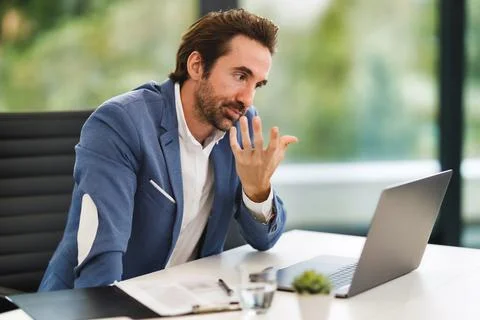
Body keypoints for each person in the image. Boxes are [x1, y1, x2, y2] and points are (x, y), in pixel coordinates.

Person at [39, 8, 298, 291]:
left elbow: (264, 240)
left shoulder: (239, 125)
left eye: (257, 84)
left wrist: (256, 190)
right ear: (197, 66)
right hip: (103, 302)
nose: (247, 98)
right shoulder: (121, 123)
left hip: (188, 299)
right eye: (239, 76)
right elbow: (101, 261)